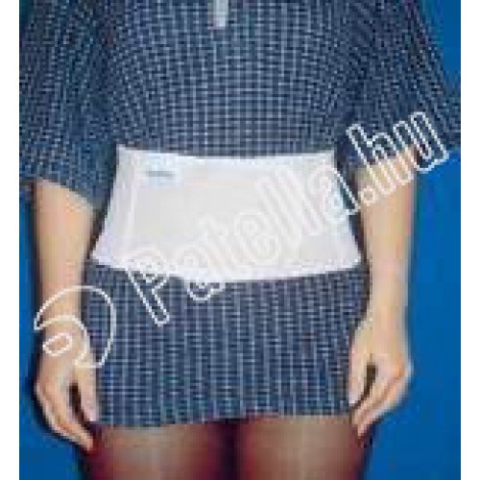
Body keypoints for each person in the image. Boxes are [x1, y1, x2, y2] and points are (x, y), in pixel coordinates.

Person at [20, 1, 459, 479]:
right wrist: (61, 327)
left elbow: (389, 126)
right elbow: (61, 137)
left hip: (319, 313)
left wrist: (388, 309)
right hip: (135, 309)